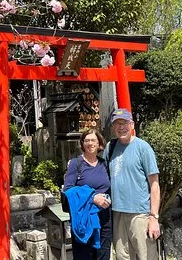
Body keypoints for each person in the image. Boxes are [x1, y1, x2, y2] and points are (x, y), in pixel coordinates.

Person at [105, 108, 161, 260]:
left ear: (132, 125)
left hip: (140, 214)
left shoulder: (143, 148)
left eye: (124, 123)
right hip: (117, 212)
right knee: (122, 256)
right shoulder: (110, 147)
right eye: (117, 123)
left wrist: (153, 217)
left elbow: (154, 185)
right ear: (113, 127)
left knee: (146, 256)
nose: (121, 127)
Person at [63, 129, 112, 260]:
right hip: (83, 217)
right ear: (82, 144)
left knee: (103, 255)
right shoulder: (76, 164)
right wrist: (92, 198)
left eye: (93, 140)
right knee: (83, 256)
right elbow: (68, 190)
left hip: (104, 218)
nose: (90, 143)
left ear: (99, 143)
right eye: (87, 141)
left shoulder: (104, 164)